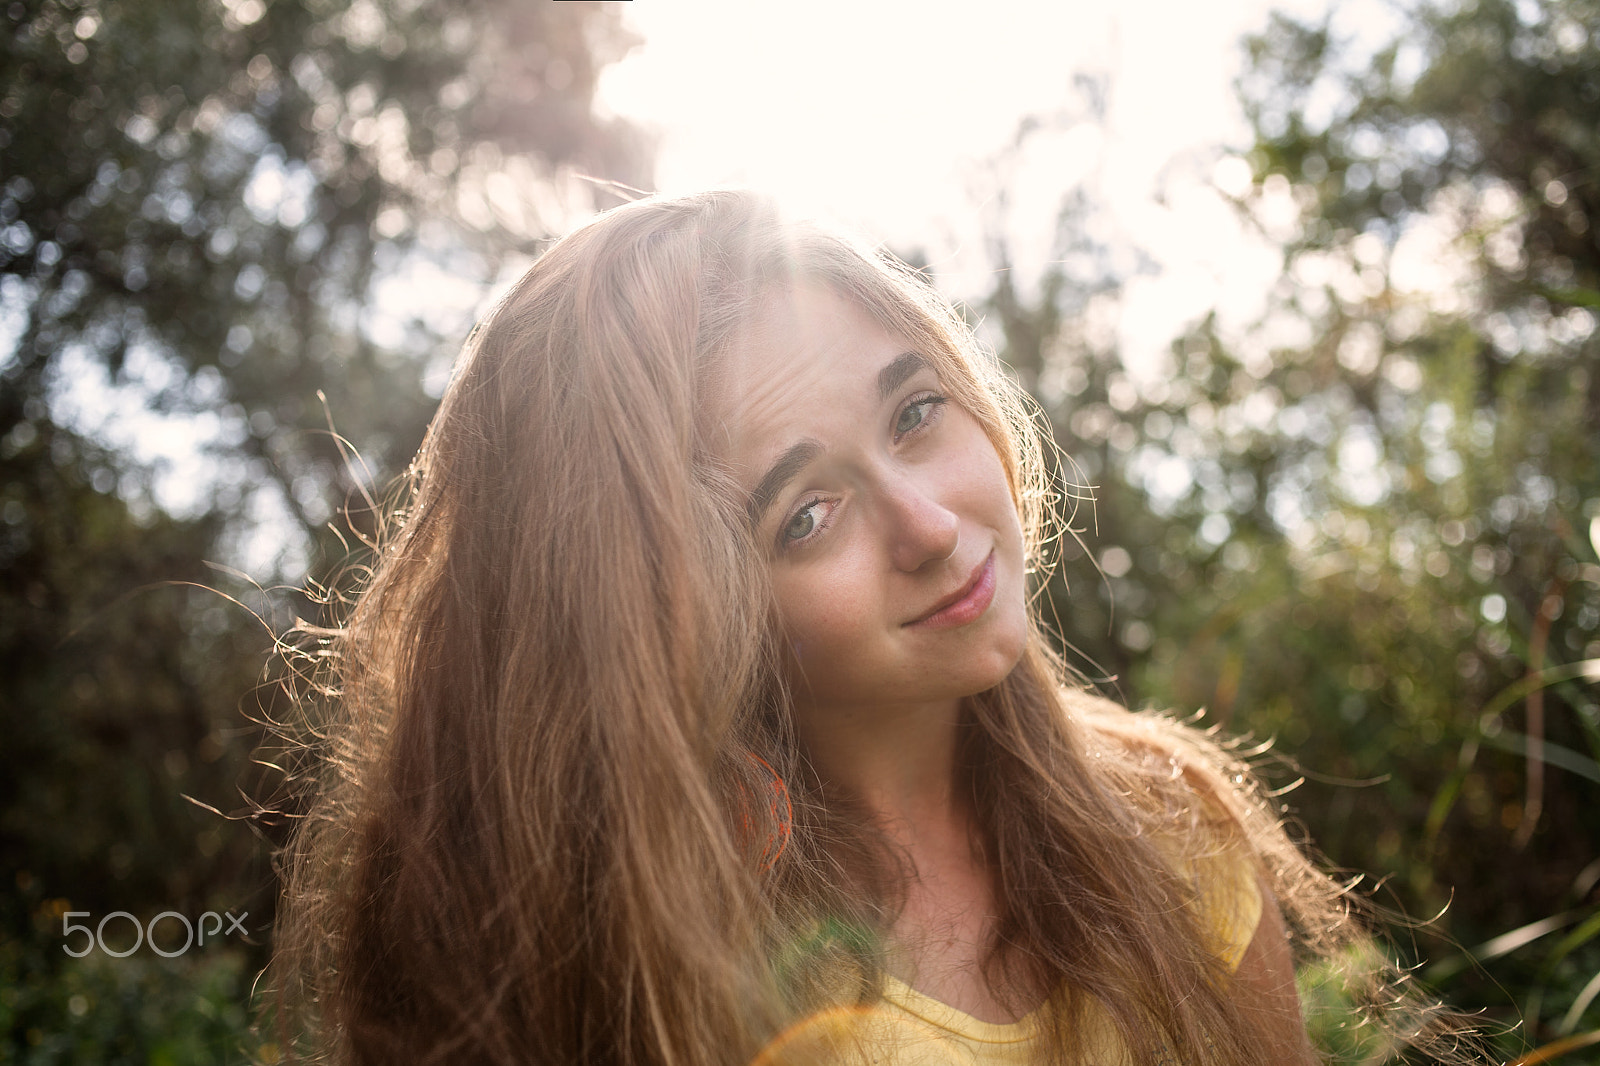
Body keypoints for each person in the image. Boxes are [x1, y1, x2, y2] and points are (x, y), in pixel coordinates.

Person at [268, 189, 1469, 1065]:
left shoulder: (1170, 823)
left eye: (914, 411)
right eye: (805, 515)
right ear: (669, 624)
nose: (933, 527)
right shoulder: (633, 980)